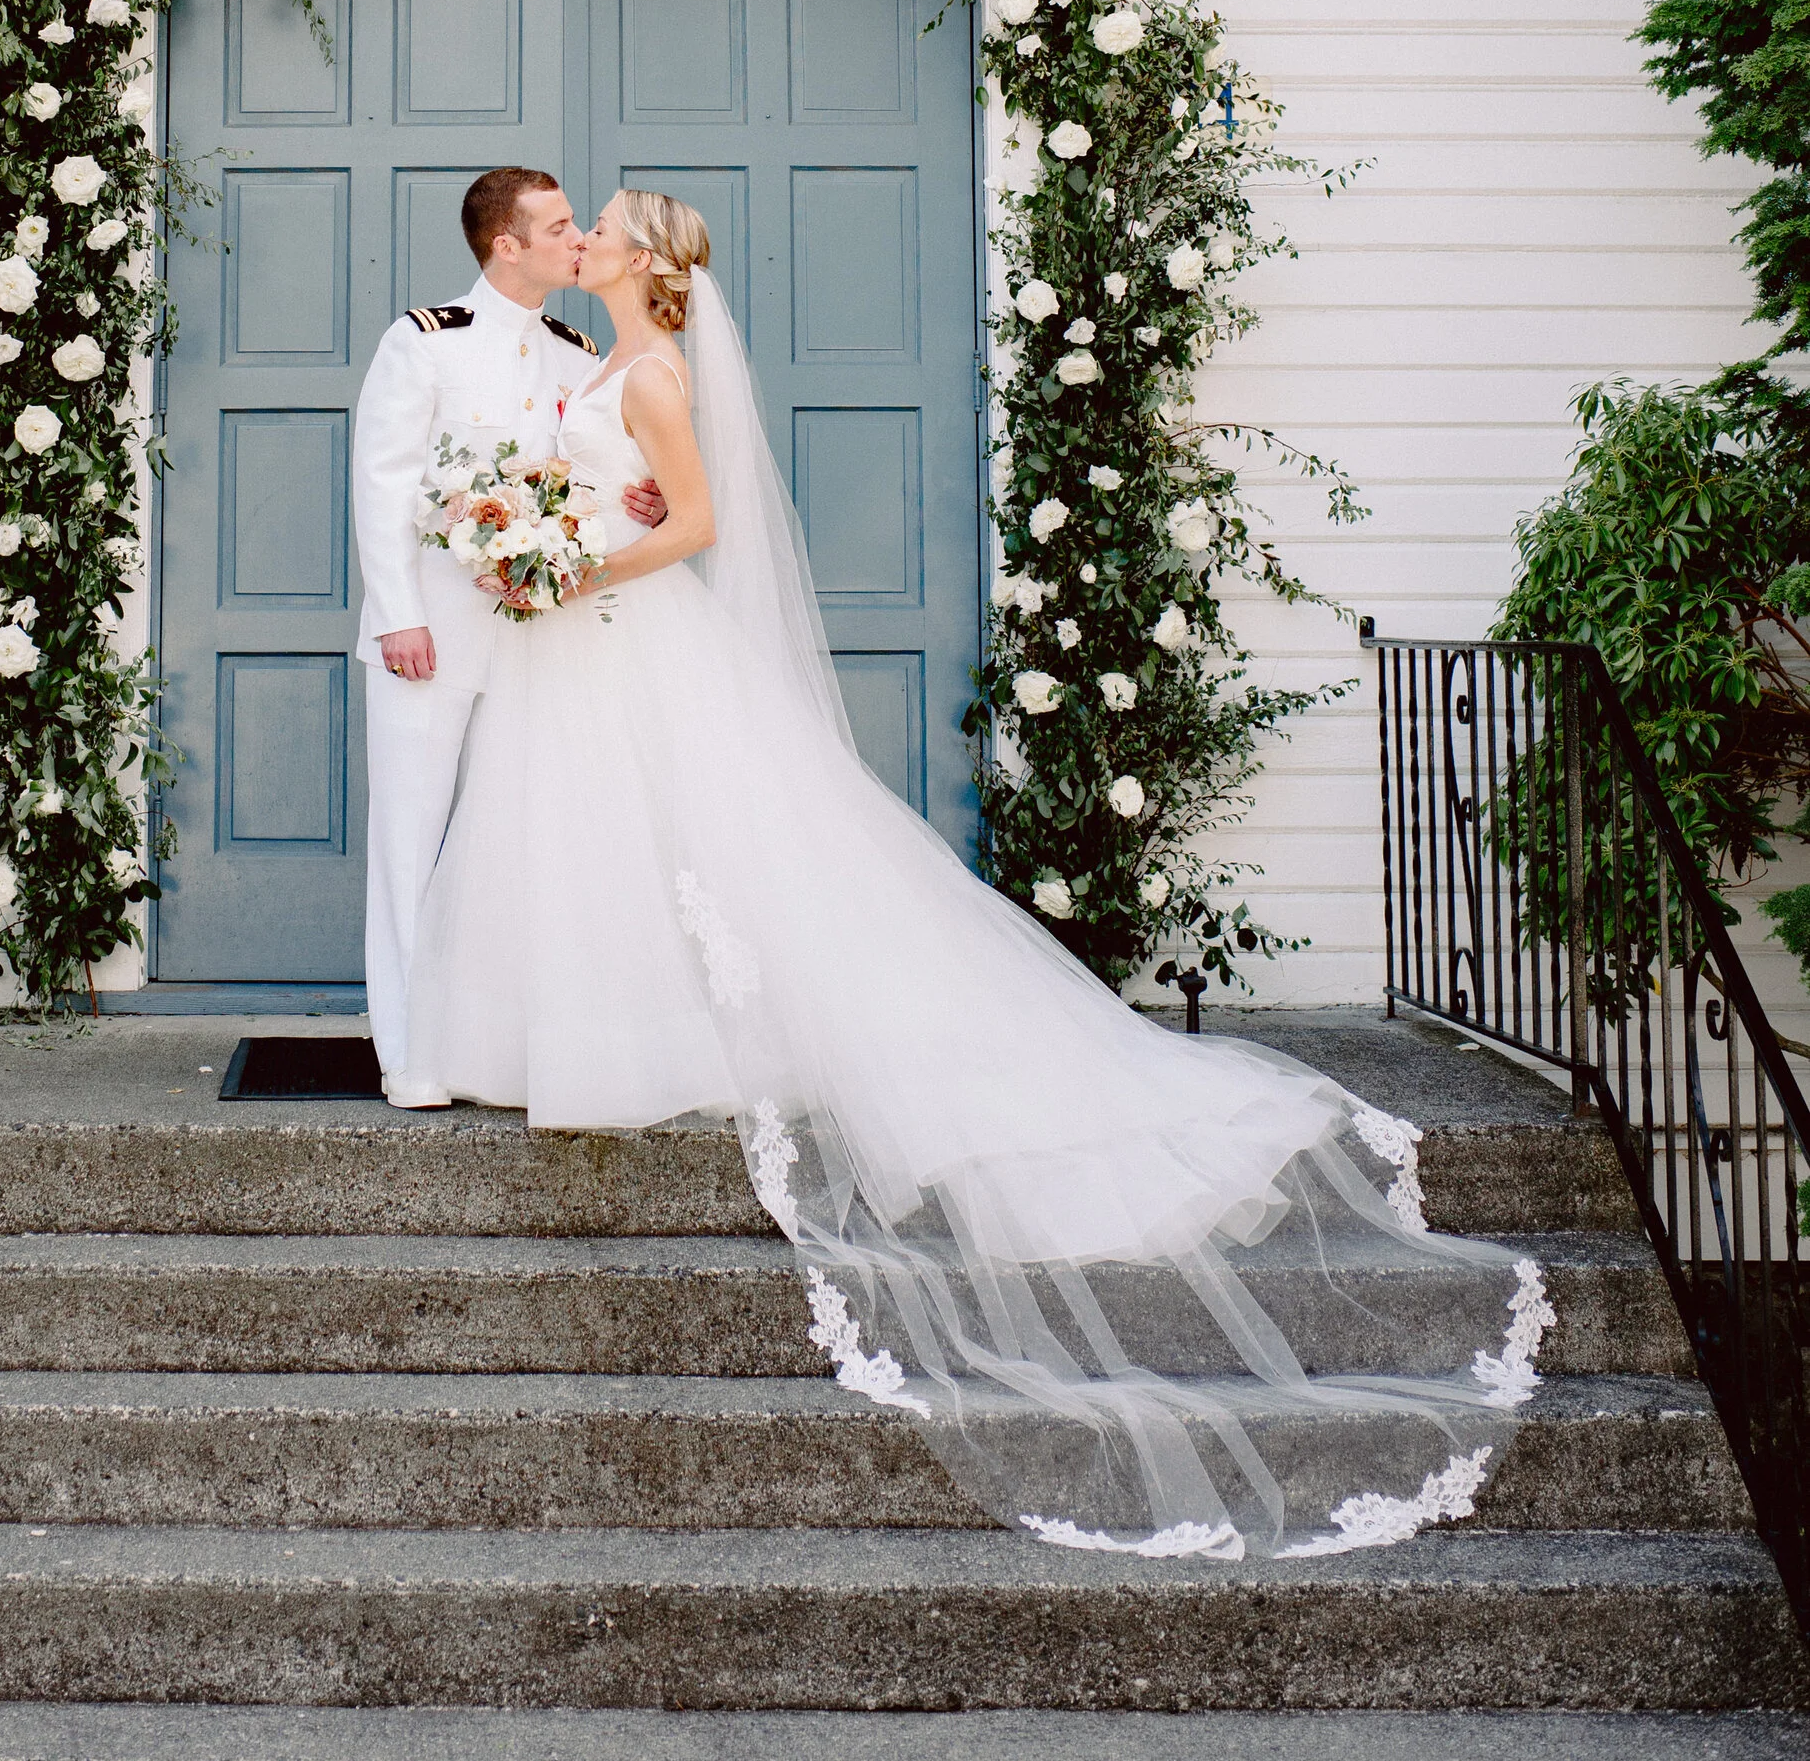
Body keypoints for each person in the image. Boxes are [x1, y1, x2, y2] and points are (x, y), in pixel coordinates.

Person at [406, 187, 1554, 1564]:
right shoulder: (602, 361)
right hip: (588, 641)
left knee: (694, 841)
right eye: (574, 226)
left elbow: (696, 523)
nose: (583, 237)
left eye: (601, 227)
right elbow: (609, 491)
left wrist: (575, 568)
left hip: (621, 627)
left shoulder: (650, 373)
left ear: (645, 261)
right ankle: (582, 1028)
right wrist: (546, 533)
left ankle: (654, 1037)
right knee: (606, 840)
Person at [347, 164, 663, 1108]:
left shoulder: (577, 352)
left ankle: (504, 1043)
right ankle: (410, 1054)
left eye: (577, 224)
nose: (579, 238)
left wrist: (639, 501)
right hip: (431, 636)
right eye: (559, 226)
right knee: (409, 837)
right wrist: (397, 614)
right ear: (506, 245)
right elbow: (383, 482)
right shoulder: (425, 343)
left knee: (518, 847)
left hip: (542, 641)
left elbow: (586, 480)